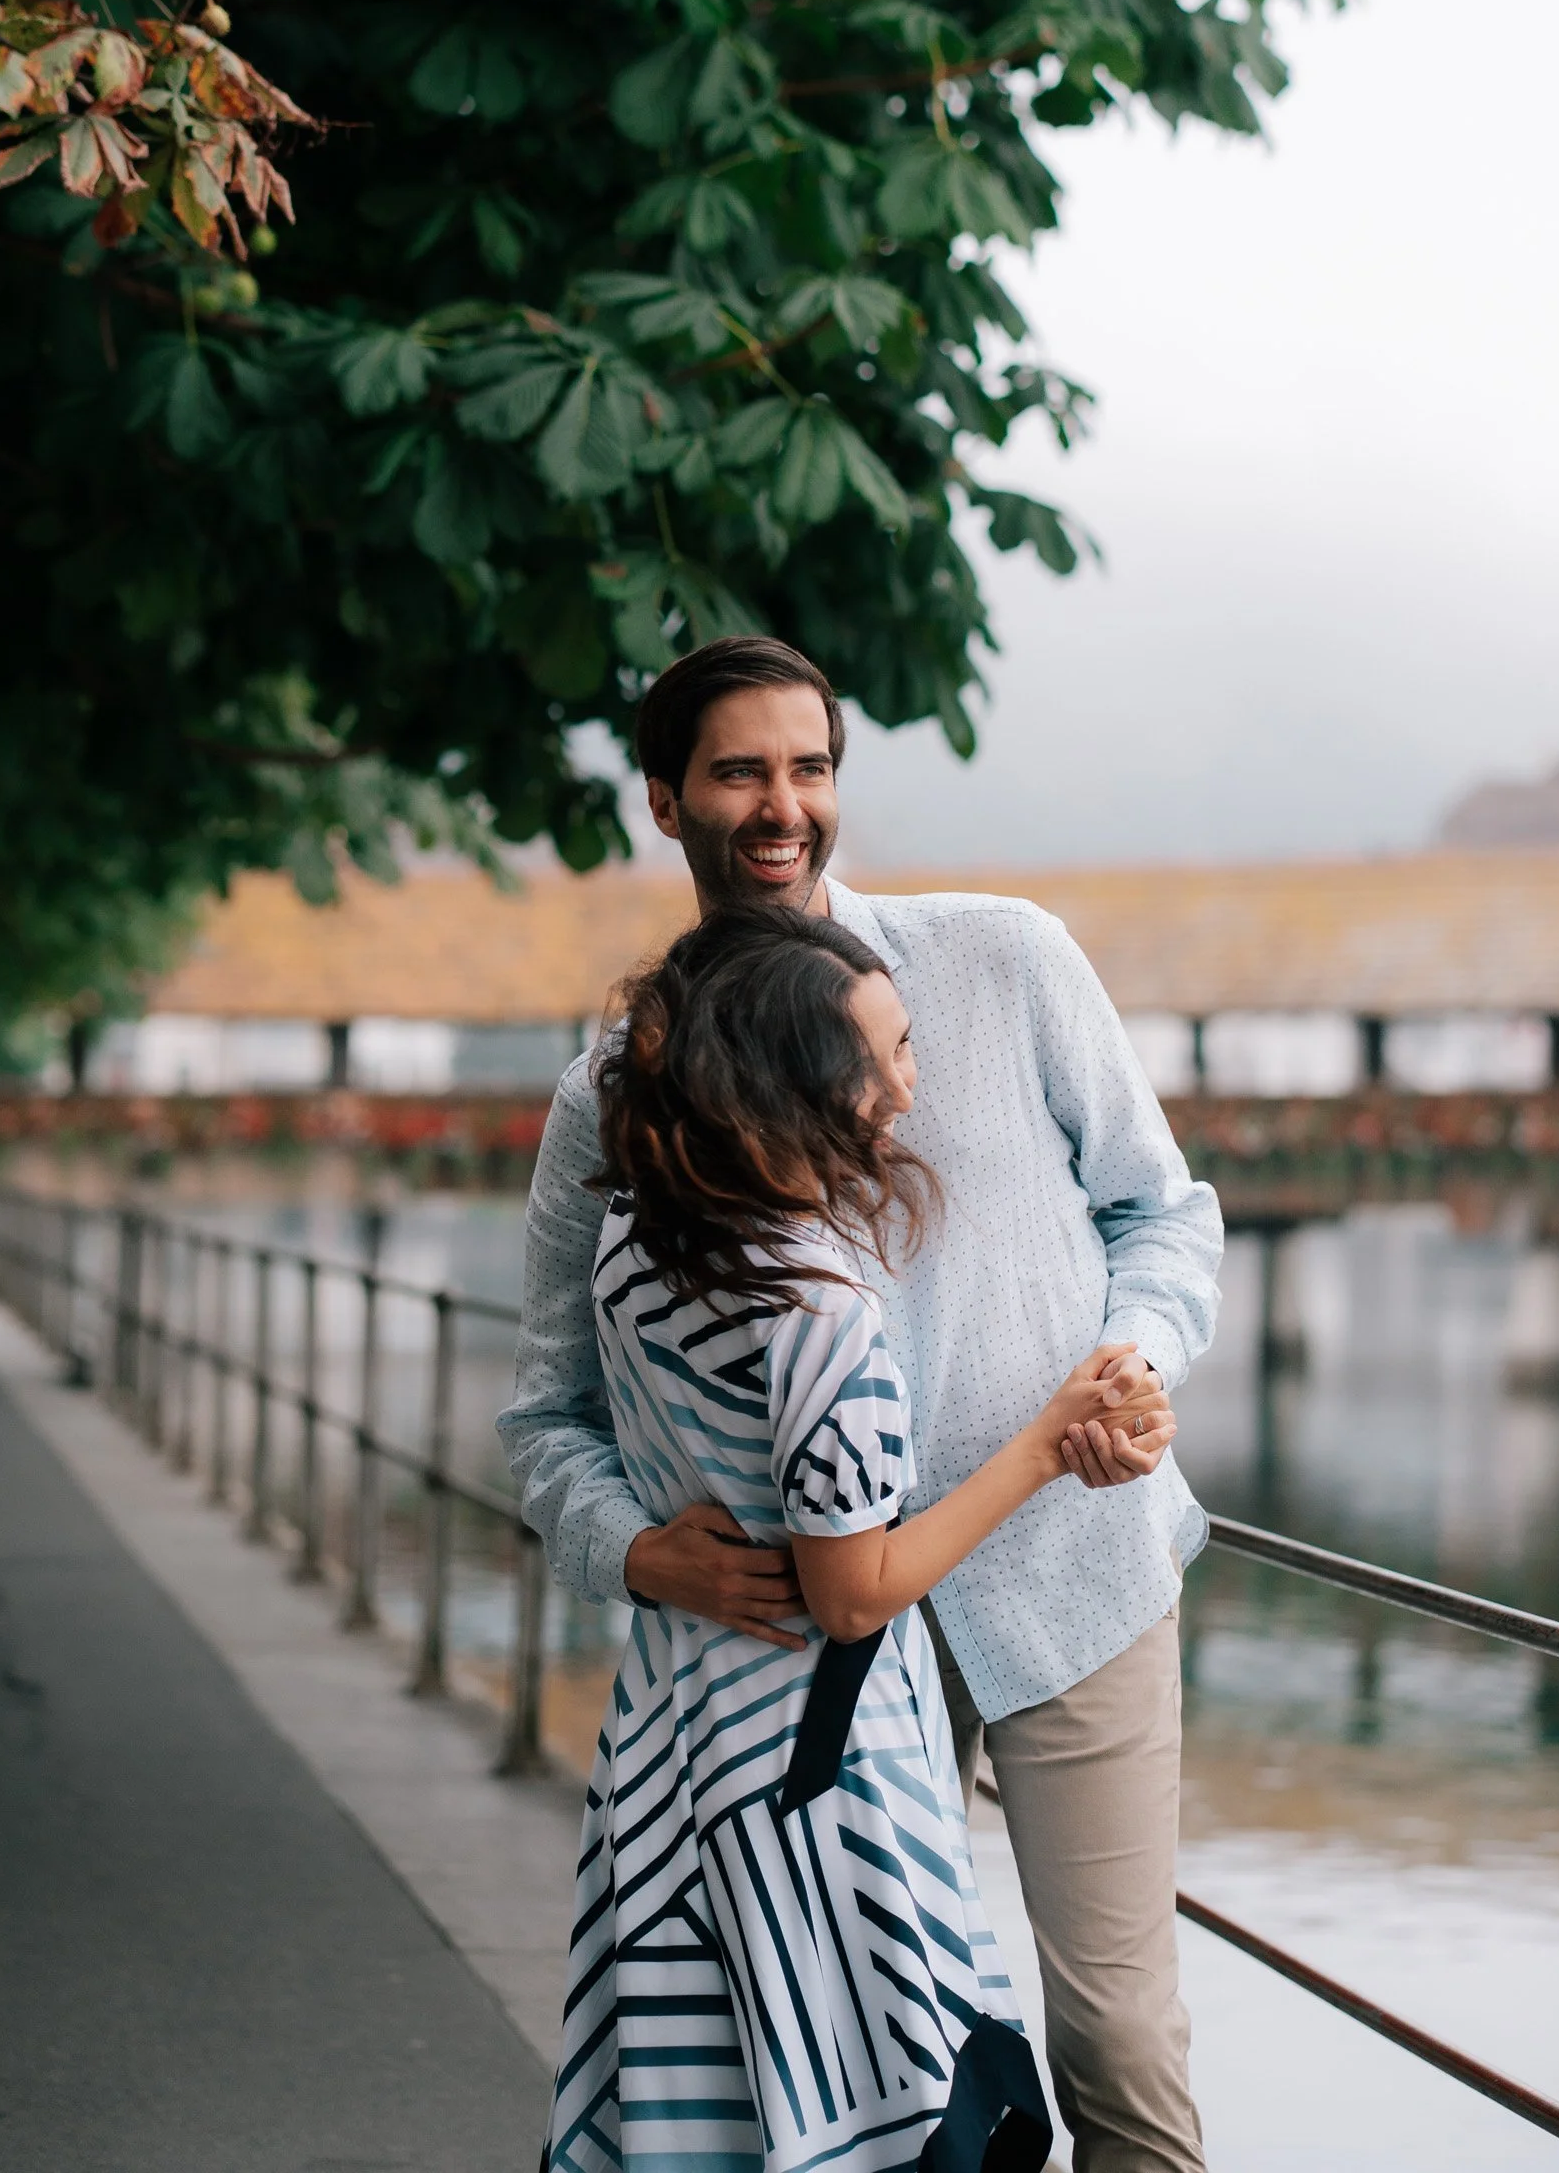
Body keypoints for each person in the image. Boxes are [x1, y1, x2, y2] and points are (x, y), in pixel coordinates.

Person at [502, 635, 1224, 2173]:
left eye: (810, 768)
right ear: (664, 800)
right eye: (739, 773)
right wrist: (634, 1551)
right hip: (800, 1664)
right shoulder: (609, 1096)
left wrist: (1135, 1368)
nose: (783, 806)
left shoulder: (1004, 961)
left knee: (1116, 2044)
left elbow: (1163, 1214)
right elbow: (547, 1412)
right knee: (860, 2078)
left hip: (1068, 1574)